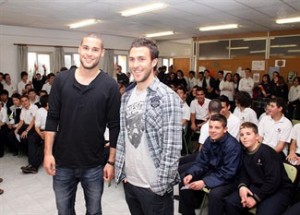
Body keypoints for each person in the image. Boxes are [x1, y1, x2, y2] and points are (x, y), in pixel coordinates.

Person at [44, 33, 120, 215]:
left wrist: (111, 162)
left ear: (102, 53)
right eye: (86, 48)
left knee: (94, 212)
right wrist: (48, 154)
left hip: (94, 164)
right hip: (62, 162)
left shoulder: (110, 85)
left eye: (95, 49)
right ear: (79, 49)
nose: (89, 53)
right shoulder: (61, 80)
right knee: (64, 211)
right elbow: (52, 118)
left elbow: (115, 126)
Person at [115, 37, 182, 215]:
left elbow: (172, 148)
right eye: (132, 59)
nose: (135, 65)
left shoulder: (167, 97)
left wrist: (159, 185)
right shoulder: (126, 97)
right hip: (131, 182)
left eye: (141, 59)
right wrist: (122, 173)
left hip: (154, 187)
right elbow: (123, 135)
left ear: (154, 62)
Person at [225, 122, 294, 215]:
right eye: (241, 135)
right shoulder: (244, 152)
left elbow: (273, 180)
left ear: (257, 137)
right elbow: (244, 174)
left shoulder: (267, 152)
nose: (244, 137)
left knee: (264, 212)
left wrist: (255, 198)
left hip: (279, 189)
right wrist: (242, 186)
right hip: (258, 185)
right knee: (231, 203)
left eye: (248, 134)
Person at [179, 114, 242, 215]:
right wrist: (191, 173)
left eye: (217, 127)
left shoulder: (233, 146)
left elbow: (228, 173)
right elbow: (201, 162)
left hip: (230, 179)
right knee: (185, 178)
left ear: (225, 129)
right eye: (210, 127)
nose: (212, 130)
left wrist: (204, 182)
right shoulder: (209, 140)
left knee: (215, 194)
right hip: (214, 172)